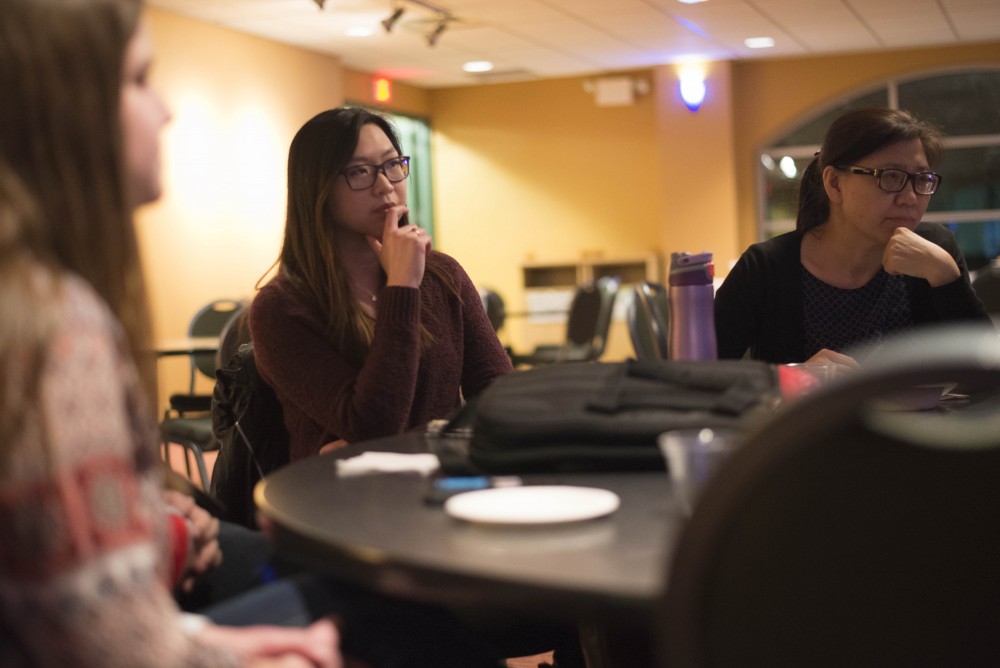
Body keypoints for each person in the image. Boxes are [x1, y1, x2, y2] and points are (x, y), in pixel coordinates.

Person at [0, 1, 339, 665]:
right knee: (385, 617)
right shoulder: (55, 331)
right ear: (64, 110)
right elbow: (106, 645)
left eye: (394, 167)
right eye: (139, 79)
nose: (166, 109)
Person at [250, 107, 513, 461]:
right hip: (339, 503)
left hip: (443, 484)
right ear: (319, 188)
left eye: (392, 165)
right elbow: (375, 426)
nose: (386, 186)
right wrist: (402, 287)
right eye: (359, 171)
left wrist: (426, 436)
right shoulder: (281, 307)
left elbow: (501, 400)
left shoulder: (442, 275)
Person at [715, 107, 990, 365]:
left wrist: (945, 274)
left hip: (912, 418)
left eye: (921, 179)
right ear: (834, 184)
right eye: (891, 177)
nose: (910, 198)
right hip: (809, 418)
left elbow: (985, 373)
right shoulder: (766, 267)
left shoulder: (934, 251)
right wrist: (790, 376)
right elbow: (696, 375)